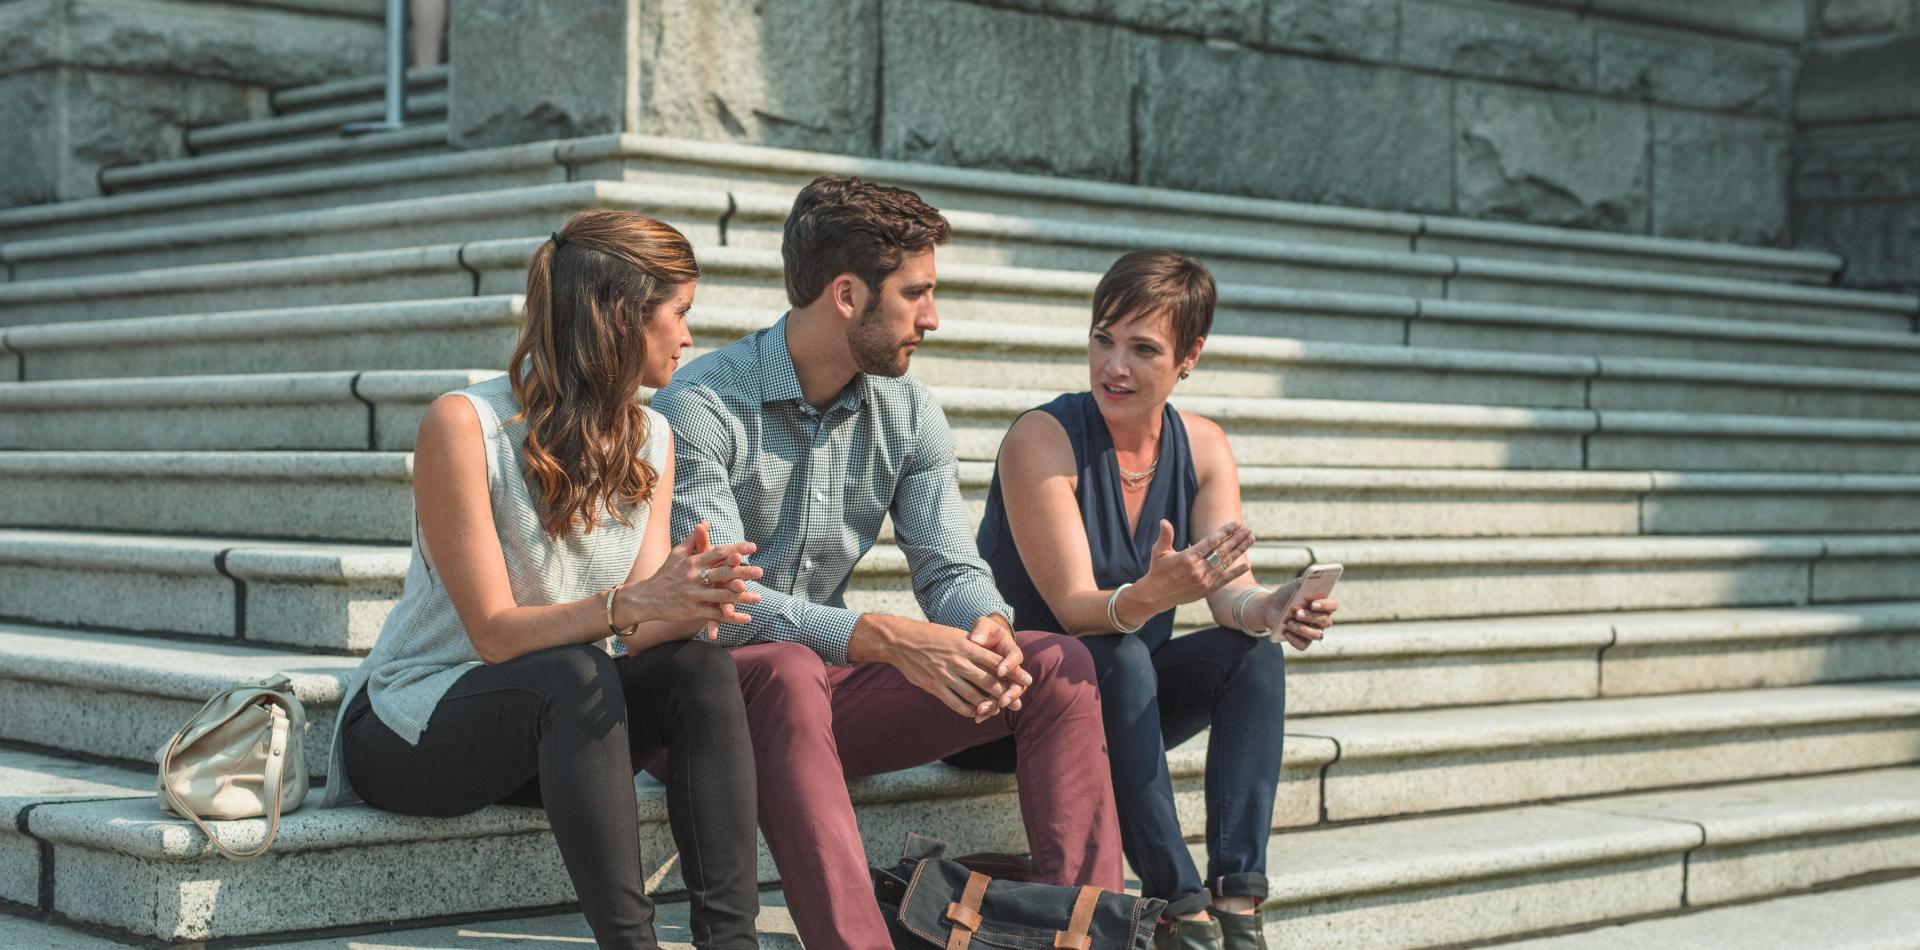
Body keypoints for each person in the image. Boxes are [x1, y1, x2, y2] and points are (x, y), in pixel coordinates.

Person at [650, 175, 1123, 947]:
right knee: (787, 669)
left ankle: (1088, 934)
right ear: (847, 295)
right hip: (699, 713)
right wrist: (878, 635)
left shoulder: (908, 411)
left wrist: (989, 626)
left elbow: (950, 568)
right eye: (915, 294)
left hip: (826, 697)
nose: (932, 318)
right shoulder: (699, 408)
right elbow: (721, 609)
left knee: (1057, 666)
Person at [322, 211, 765, 949]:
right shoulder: (465, 425)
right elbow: (494, 636)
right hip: (415, 724)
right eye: (680, 313)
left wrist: (690, 601)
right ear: (621, 317)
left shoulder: (654, 436)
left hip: (555, 734)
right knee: (576, 672)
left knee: (699, 670)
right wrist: (631, 604)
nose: (690, 337)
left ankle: (731, 943)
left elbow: (638, 627)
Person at [946, 251, 1340, 950]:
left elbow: (1229, 594)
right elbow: (1074, 608)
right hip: (1008, 705)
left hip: (1123, 707)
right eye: (1103, 339)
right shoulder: (1043, 438)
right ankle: (1179, 909)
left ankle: (1239, 904)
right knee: (1118, 652)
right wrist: (1150, 595)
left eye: (1143, 349)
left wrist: (1270, 608)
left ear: (1190, 357)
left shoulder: (1204, 448)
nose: (1114, 367)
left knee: (1253, 658)